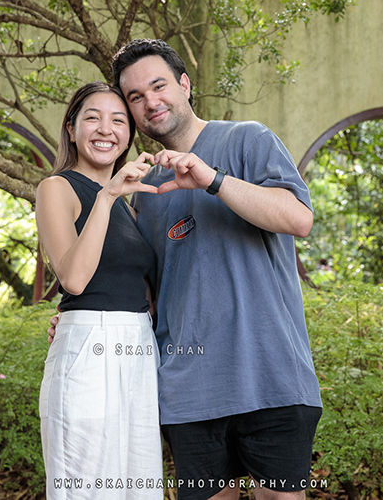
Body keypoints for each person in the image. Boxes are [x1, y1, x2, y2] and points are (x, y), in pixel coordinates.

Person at [50, 39, 323, 500]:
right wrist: (84, 321)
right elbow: (147, 285)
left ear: (185, 85)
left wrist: (212, 179)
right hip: (186, 389)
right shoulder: (146, 189)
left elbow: (299, 219)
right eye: (134, 97)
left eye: (158, 86)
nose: (149, 102)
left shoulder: (247, 139)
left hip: (271, 379)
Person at [36, 81, 163, 500]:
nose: (105, 129)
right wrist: (107, 196)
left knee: (138, 487)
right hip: (90, 349)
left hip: (137, 348)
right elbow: (73, 279)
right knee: (87, 486)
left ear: (128, 135)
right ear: (71, 128)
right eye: (92, 117)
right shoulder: (57, 188)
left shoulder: (128, 204)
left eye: (118, 120)